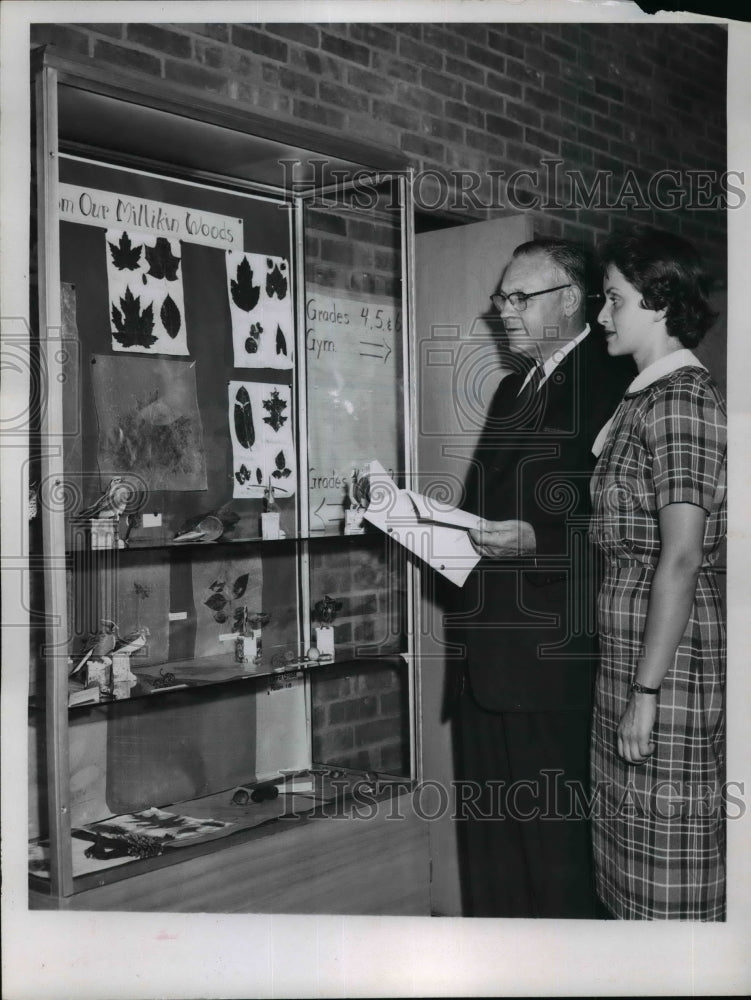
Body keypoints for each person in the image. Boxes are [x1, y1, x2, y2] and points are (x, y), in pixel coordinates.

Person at [451, 237, 632, 917]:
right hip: (483, 658)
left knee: (556, 859)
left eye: (517, 297)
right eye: (500, 297)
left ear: (573, 299)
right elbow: (479, 506)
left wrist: (539, 541)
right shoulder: (509, 389)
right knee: (492, 858)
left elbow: (635, 531)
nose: (502, 312)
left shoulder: (614, 383)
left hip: (554, 663)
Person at [589, 225, 726, 920]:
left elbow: (681, 554)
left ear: (658, 300)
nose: (601, 313)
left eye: (612, 298)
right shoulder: (643, 397)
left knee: (668, 860)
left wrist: (646, 689)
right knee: (629, 850)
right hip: (633, 650)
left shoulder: (678, 400)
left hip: (665, 662)